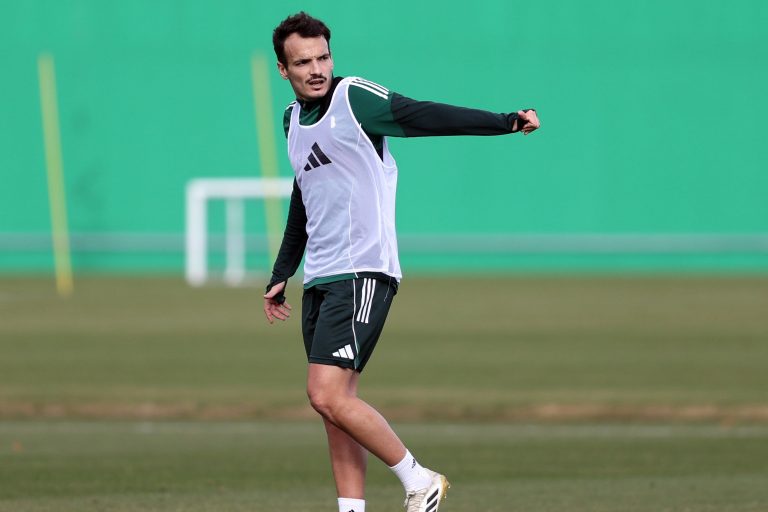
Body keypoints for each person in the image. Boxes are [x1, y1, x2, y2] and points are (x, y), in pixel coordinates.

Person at [263, 12, 540, 512]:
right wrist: (283, 271)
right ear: (283, 69)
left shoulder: (353, 98)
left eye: (323, 57)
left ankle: (420, 479)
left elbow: (424, 115)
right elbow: (303, 198)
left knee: (325, 394)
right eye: (303, 62)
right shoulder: (291, 120)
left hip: (362, 270)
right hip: (321, 276)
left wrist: (504, 121)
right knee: (335, 409)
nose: (317, 69)